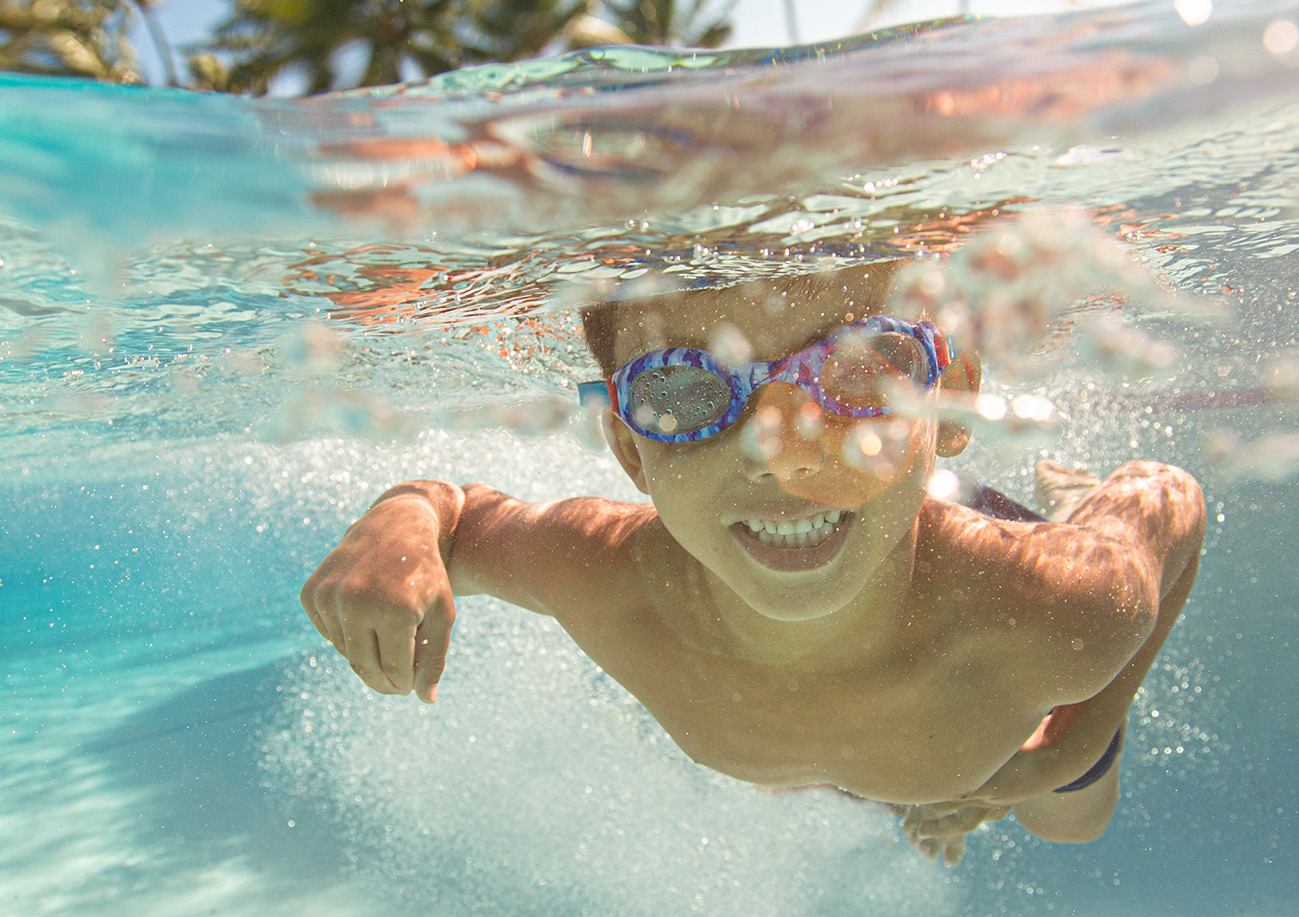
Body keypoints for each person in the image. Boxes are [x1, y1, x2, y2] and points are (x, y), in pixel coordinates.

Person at [297, 259, 1206, 864]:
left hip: (996, 726)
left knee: (1071, 819)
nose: (780, 452)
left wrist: (1071, 743)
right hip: (901, 754)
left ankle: (1068, 494)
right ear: (628, 451)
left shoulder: (1059, 606)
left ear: (951, 402)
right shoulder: (605, 576)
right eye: (685, 391)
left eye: (860, 372)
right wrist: (407, 512)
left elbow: (1173, 502)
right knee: (899, 789)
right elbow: (459, 514)